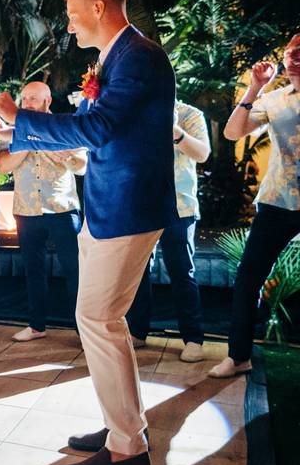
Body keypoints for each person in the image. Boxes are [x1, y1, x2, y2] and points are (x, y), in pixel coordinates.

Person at [0, 0, 178, 465]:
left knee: (97, 319)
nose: (68, 25)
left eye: (73, 14)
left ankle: (127, 450)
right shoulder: (117, 58)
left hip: (128, 207)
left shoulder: (138, 57)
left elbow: (95, 129)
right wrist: (14, 128)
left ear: (98, 7)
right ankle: (125, 429)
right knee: (100, 320)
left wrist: (19, 118)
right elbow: (89, 130)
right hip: (106, 207)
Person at [210, 34, 300, 378]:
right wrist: (254, 88)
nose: (294, 58)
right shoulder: (275, 99)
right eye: (291, 53)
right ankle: (239, 356)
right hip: (278, 200)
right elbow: (233, 133)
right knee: (248, 279)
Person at [0, 82, 86, 342]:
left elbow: (82, 167)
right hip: (26, 209)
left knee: (75, 269)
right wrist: (27, 137)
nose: (27, 103)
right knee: (33, 270)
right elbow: (2, 166)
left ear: (47, 102)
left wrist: (61, 154)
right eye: (23, 99)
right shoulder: (11, 131)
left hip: (63, 208)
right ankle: (36, 326)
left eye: (33, 98)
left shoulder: (65, 126)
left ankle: (84, 330)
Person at [126, 100, 210, 362]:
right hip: (142, 206)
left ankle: (193, 339)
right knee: (138, 272)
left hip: (179, 206)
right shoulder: (134, 111)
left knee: (182, 272)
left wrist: (176, 132)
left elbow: (203, 153)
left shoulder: (190, 114)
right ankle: (138, 332)